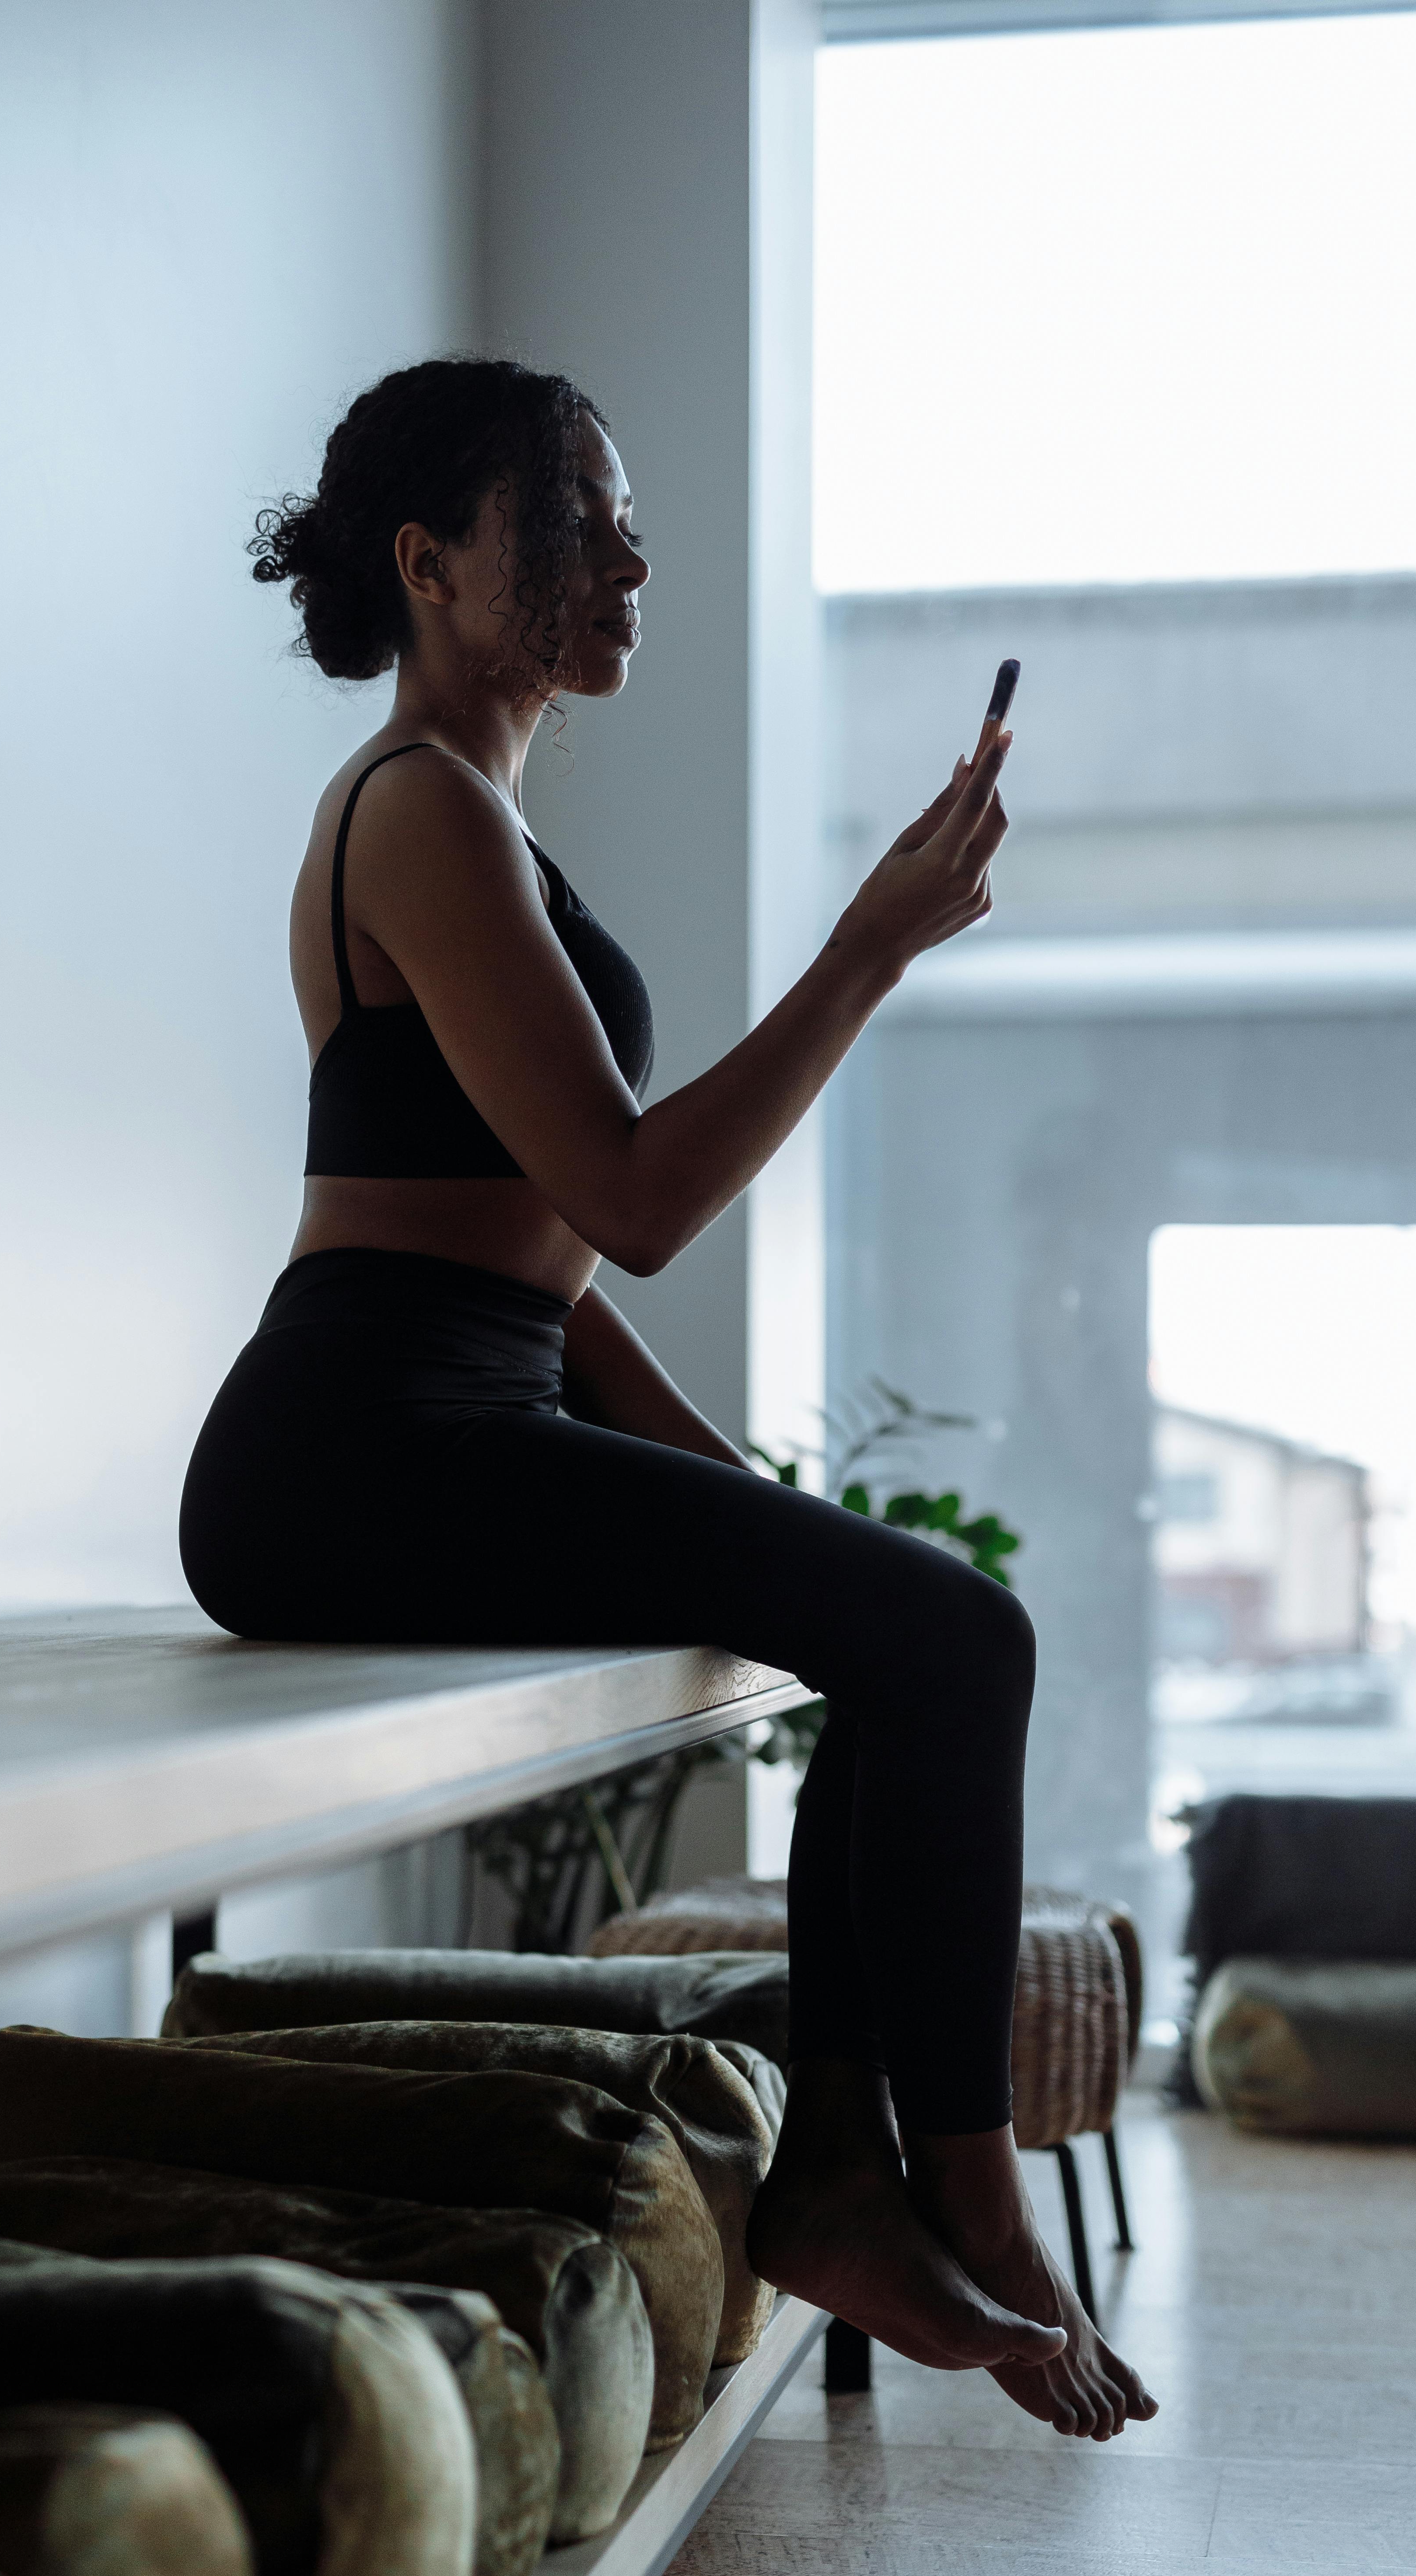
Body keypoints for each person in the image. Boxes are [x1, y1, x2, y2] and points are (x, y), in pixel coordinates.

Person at [180, 356, 1154, 2441]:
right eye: (578, 523)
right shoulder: (417, 809)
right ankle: (958, 2197)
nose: (629, 565)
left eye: (630, 531)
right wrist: (866, 948)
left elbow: (531, 1270)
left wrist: (790, 1536)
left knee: (913, 1629)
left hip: (462, 1413)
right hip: (358, 1449)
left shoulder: (475, 822)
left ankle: (845, 2173)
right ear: (431, 563)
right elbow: (627, 1201)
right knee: (954, 1633)